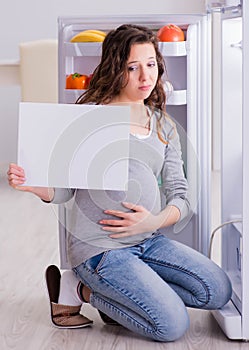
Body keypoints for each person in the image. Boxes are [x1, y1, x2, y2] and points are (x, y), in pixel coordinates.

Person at [8, 24, 232, 341]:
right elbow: (66, 190)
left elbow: (182, 196)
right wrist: (35, 186)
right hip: (100, 250)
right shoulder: (90, 117)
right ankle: (81, 290)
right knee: (171, 325)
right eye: (133, 67)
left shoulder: (163, 125)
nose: (145, 77)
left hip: (149, 241)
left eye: (151, 64)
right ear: (116, 68)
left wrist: (152, 221)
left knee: (217, 289)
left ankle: (122, 295)